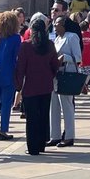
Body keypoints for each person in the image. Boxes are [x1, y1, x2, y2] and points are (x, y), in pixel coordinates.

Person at [14, 16, 60, 155]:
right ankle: (41, 144)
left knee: (32, 118)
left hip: (30, 87)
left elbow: (20, 68)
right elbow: (55, 65)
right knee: (44, 116)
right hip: (46, 86)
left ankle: (33, 147)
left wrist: (18, 85)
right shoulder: (50, 45)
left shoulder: (26, 46)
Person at [0, 10, 21, 140]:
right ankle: (3, 131)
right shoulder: (16, 38)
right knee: (6, 103)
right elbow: (16, 56)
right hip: (9, 71)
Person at [49, 15, 82, 147]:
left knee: (66, 106)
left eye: (57, 24)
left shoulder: (72, 37)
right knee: (54, 105)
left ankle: (69, 136)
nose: (55, 26)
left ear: (63, 24)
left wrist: (65, 57)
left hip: (67, 73)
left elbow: (78, 57)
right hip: (55, 74)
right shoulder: (57, 39)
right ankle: (55, 135)